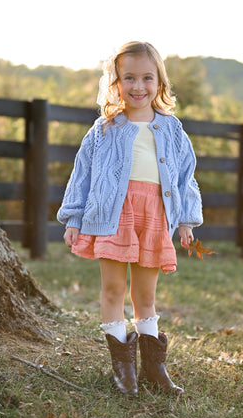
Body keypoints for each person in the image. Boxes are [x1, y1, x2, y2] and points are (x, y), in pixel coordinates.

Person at [57, 41, 203, 395]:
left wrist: (186, 219)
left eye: (147, 78)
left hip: (154, 215)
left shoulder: (171, 129)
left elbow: (186, 176)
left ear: (159, 83)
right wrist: (73, 217)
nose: (138, 86)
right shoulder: (103, 129)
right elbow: (83, 175)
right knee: (112, 289)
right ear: (116, 82)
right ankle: (124, 371)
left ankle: (155, 369)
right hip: (113, 215)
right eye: (129, 78)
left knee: (145, 295)